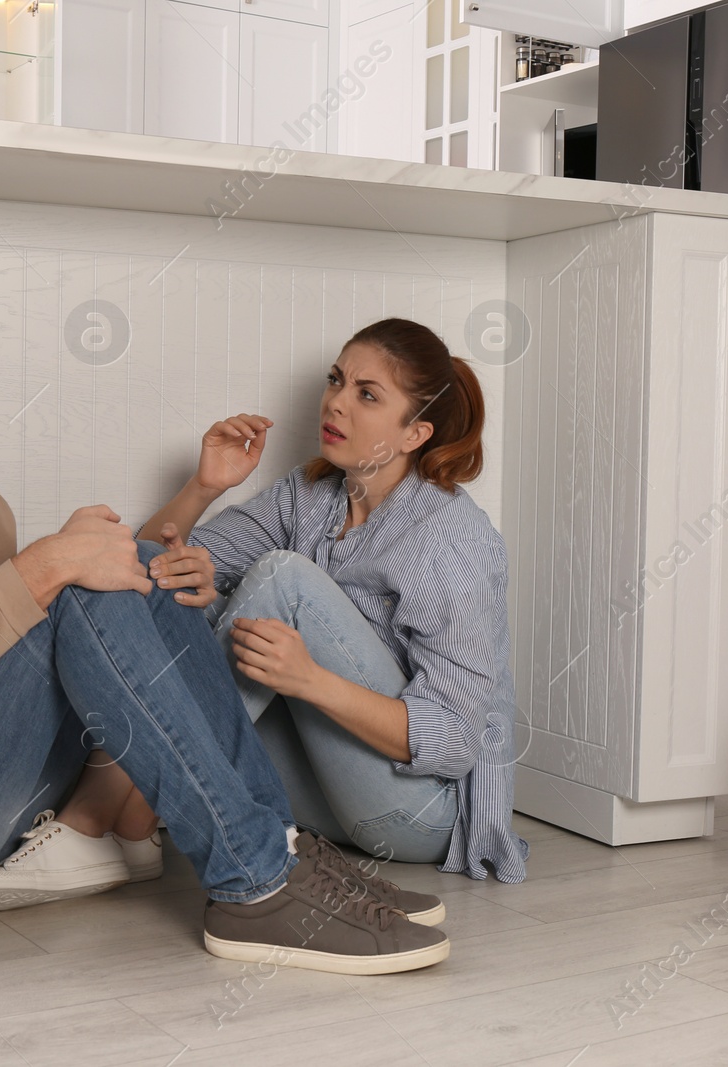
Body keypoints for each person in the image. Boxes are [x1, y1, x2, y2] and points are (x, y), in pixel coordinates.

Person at [0, 264, 448, 974]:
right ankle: (255, 883)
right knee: (82, 577)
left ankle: (277, 848)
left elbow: (23, 649)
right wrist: (50, 564)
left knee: (136, 565)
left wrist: (91, 553)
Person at [133, 318, 529, 884]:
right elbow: (151, 566)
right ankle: (125, 799)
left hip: (417, 812)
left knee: (283, 580)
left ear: (415, 434)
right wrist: (205, 486)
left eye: (366, 395)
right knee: (185, 595)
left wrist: (309, 680)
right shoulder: (310, 495)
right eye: (336, 381)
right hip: (330, 792)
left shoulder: (451, 540)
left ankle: (119, 803)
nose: (336, 404)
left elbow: (455, 741)